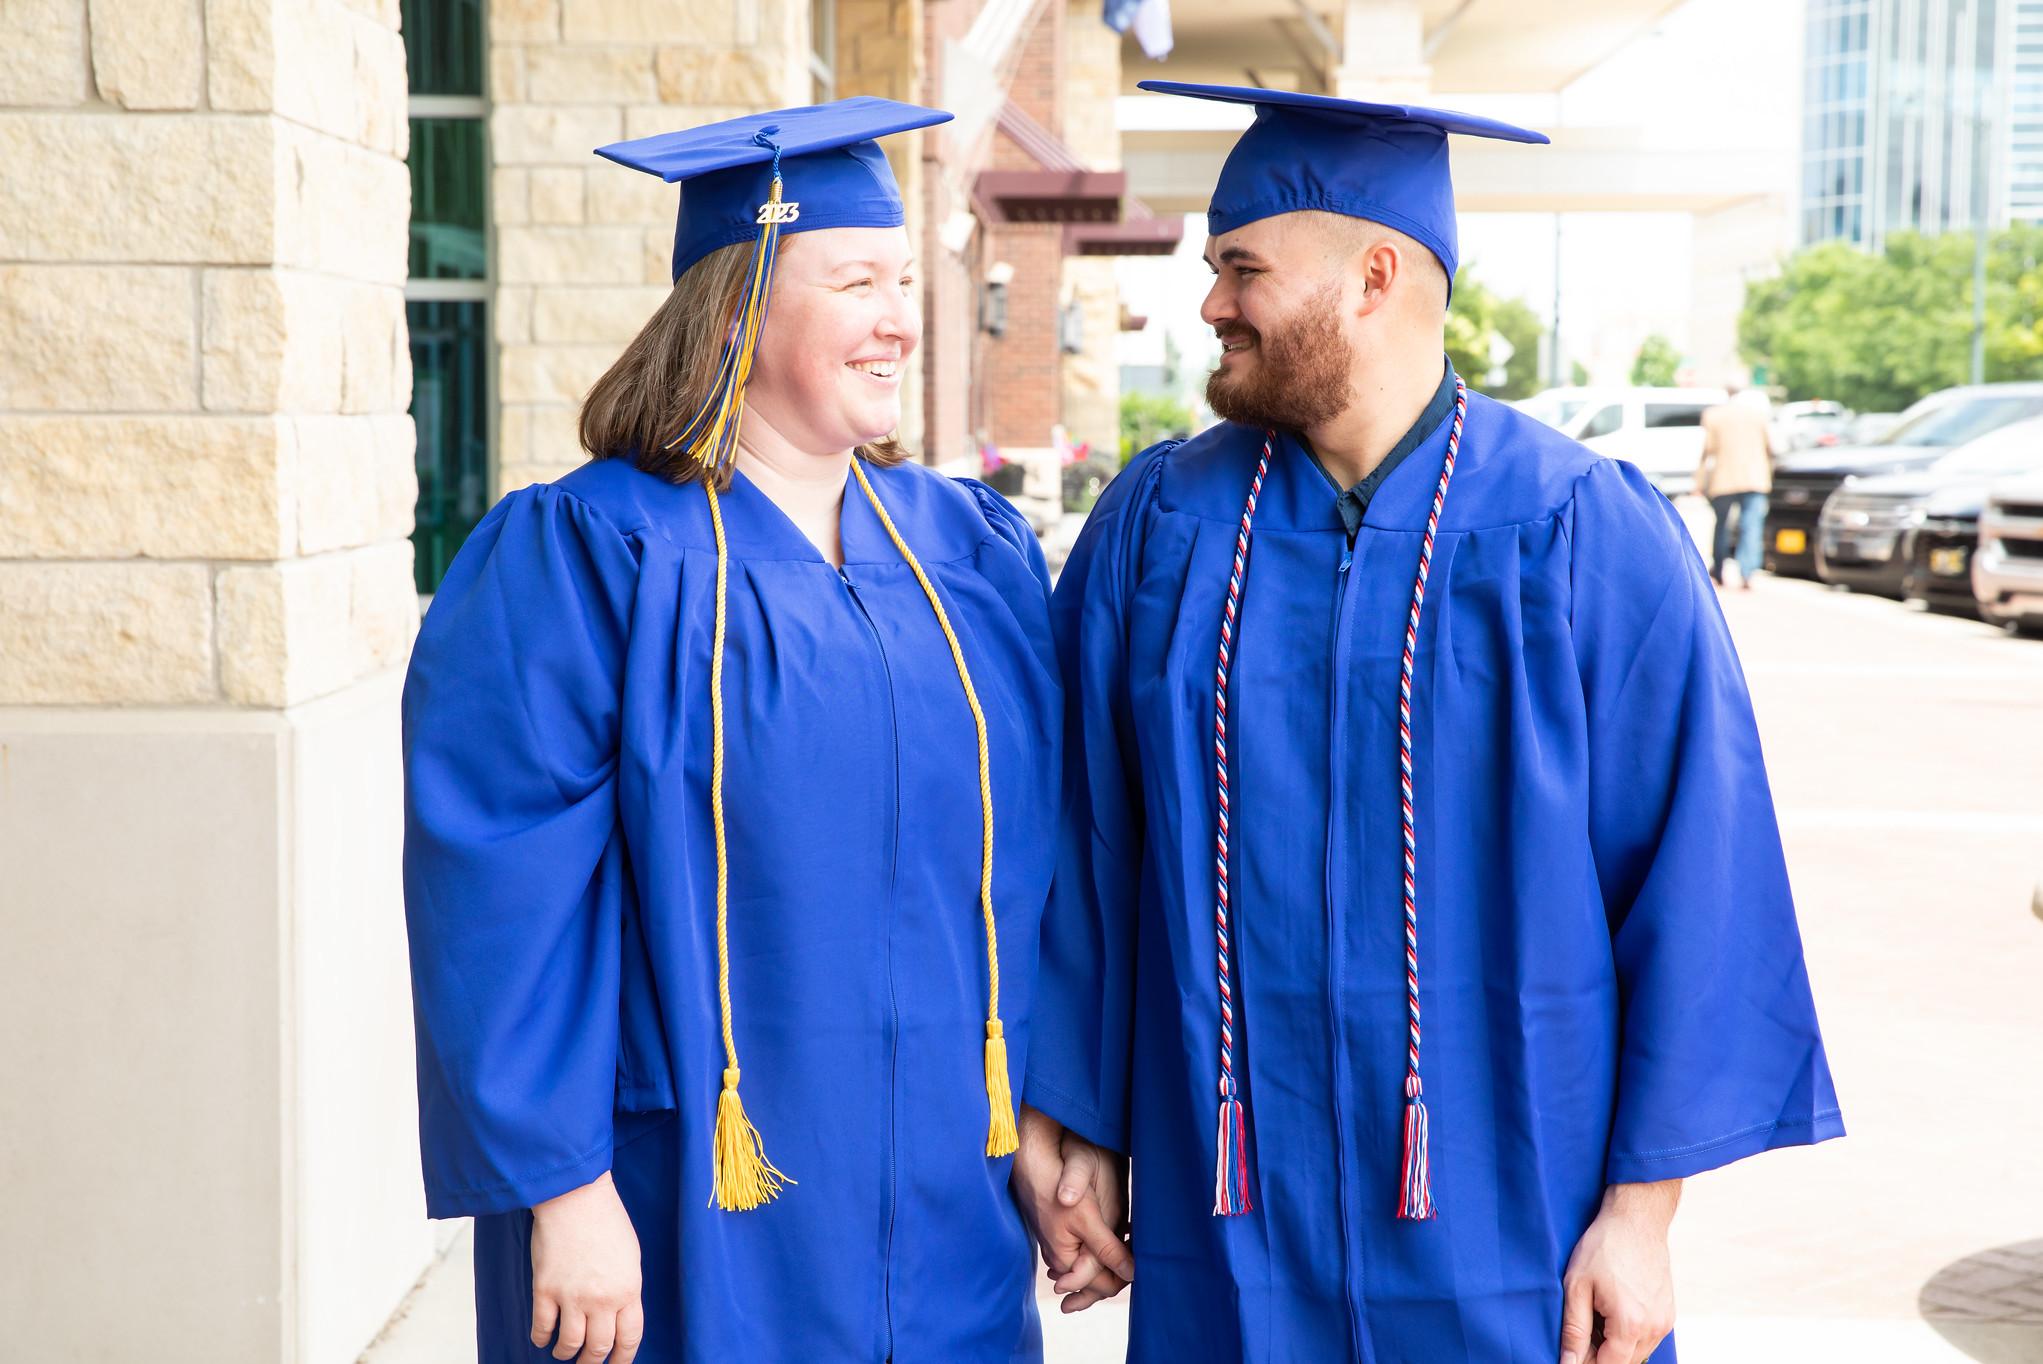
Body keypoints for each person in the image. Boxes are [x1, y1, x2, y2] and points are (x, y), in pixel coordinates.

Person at [1016, 83, 1843, 1364]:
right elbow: (1074, 833)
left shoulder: (1578, 532)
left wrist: (1641, 1216)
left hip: (1512, 1227)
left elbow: (1699, 874)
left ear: (1374, 278)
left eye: (1242, 267)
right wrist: (1068, 1119)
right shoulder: (1161, 530)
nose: (1211, 303)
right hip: (1236, 1221)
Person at [401, 98, 1069, 1363]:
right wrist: (563, 1187)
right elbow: (495, 886)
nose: (900, 317)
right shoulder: (589, 556)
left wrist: (1041, 1124)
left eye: (901, 278)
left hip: (942, 1207)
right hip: (684, 1200)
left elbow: (1030, 874)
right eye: (856, 279)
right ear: (738, 310)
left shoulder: (967, 554)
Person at [1696, 380, 1776, 588]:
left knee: (1721, 526)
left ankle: (1719, 569)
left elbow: (1707, 450)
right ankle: (1747, 572)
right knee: (1751, 527)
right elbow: (1770, 448)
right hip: (1755, 478)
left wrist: (1698, 480)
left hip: (1724, 478)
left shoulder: (1714, 415)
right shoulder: (1758, 415)